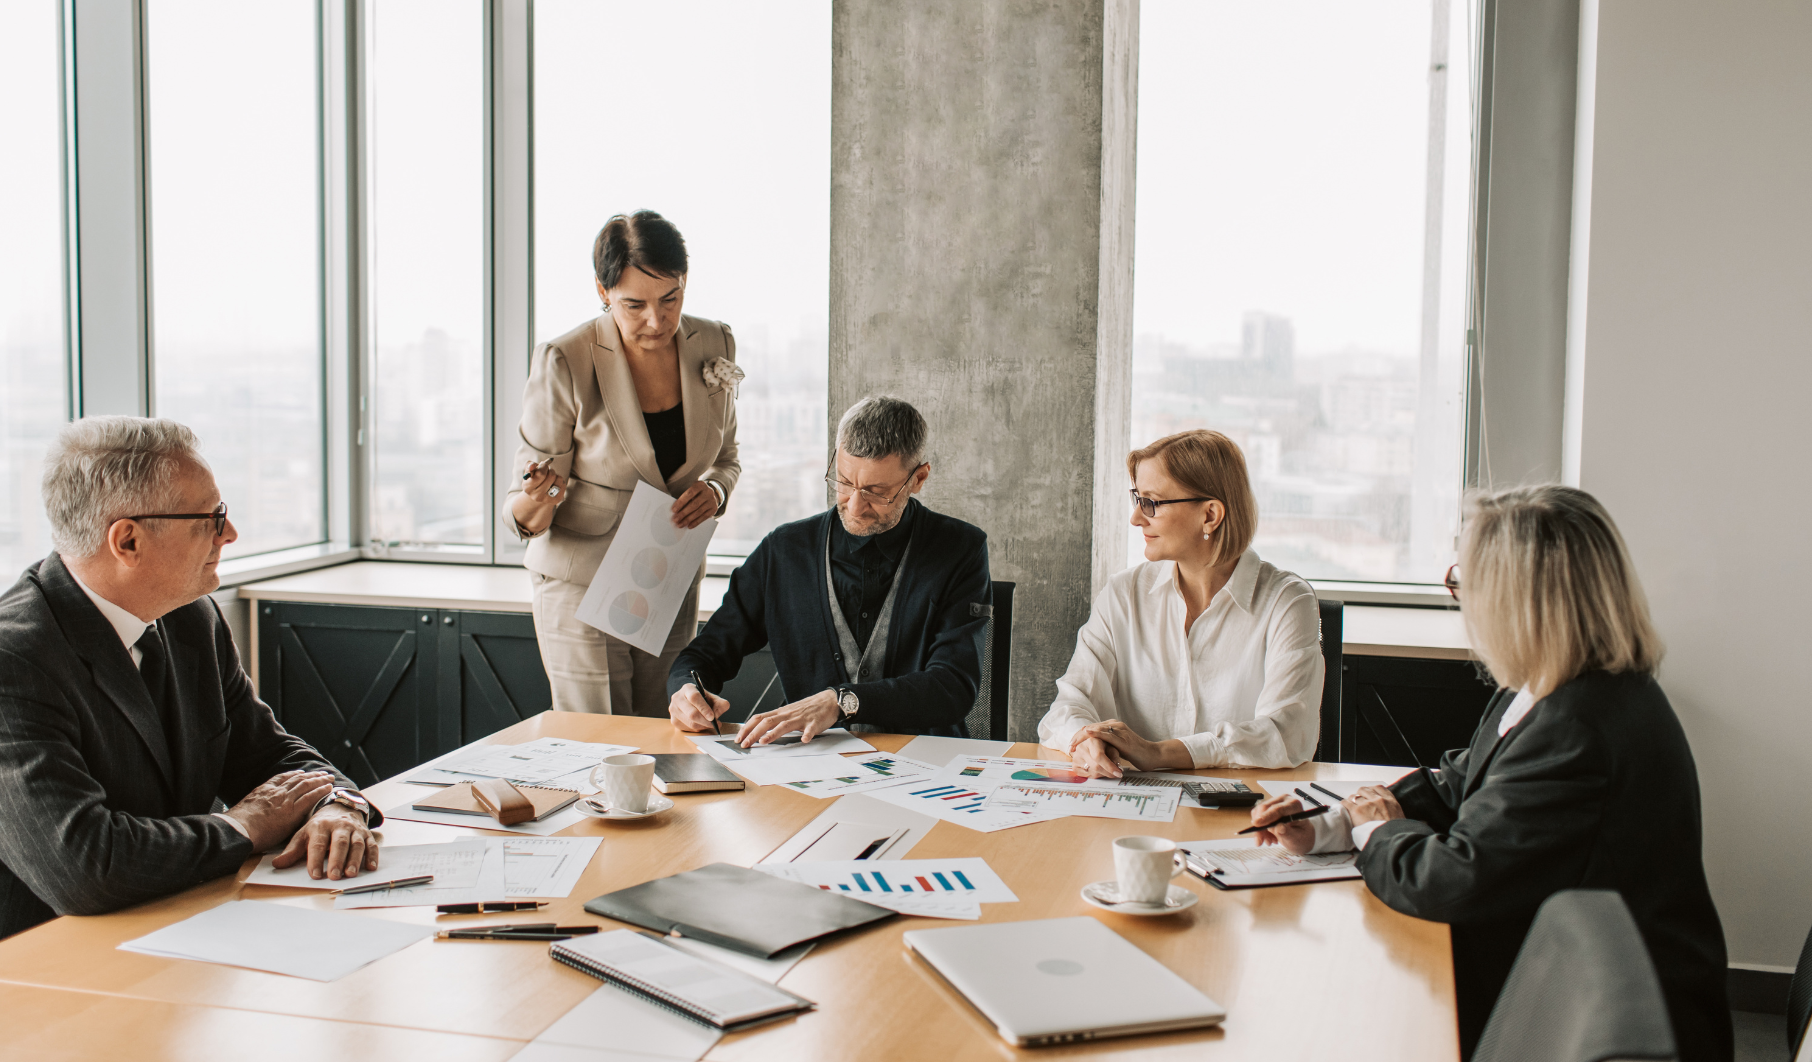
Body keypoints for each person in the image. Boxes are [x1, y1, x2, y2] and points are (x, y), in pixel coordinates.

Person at [1251, 485, 1731, 1061]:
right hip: (1550, 973)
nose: (1460, 601)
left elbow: (1452, 882)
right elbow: (1457, 785)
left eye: (1464, 582)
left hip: (1606, 1024)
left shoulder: (1580, 730)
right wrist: (1330, 825)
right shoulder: (1551, 687)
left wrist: (1373, 830)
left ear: (1516, 602)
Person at [0, 417, 380, 972]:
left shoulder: (188, 618)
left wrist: (336, 807)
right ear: (127, 540)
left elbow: (270, 756)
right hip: (14, 981)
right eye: (212, 518)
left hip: (162, 932)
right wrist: (246, 825)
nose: (229, 536)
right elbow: (84, 866)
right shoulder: (0, 667)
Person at [502, 211, 741, 719]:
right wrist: (539, 496)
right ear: (602, 290)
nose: (655, 321)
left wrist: (716, 491)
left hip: (668, 572)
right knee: (602, 744)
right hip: (582, 584)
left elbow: (727, 457)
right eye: (634, 305)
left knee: (669, 735)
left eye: (670, 299)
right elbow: (521, 514)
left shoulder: (715, 341)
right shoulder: (565, 359)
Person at [665, 396, 989, 744]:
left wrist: (841, 701)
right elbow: (705, 653)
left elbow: (953, 687)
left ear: (918, 479)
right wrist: (686, 690)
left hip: (925, 760)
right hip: (809, 765)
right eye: (844, 482)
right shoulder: (783, 551)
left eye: (877, 492)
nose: (855, 505)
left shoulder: (960, 550)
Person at [1036, 429, 1322, 775]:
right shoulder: (1123, 593)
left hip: (1243, 814)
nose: (1136, 518)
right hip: (1130, 808)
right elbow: (1067, 705)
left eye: (1152, 503)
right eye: (1137, 499)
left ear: (1210, 516)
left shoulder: (1287, 602)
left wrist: (1158, 754)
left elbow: (1287, 734)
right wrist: (1085, 740)